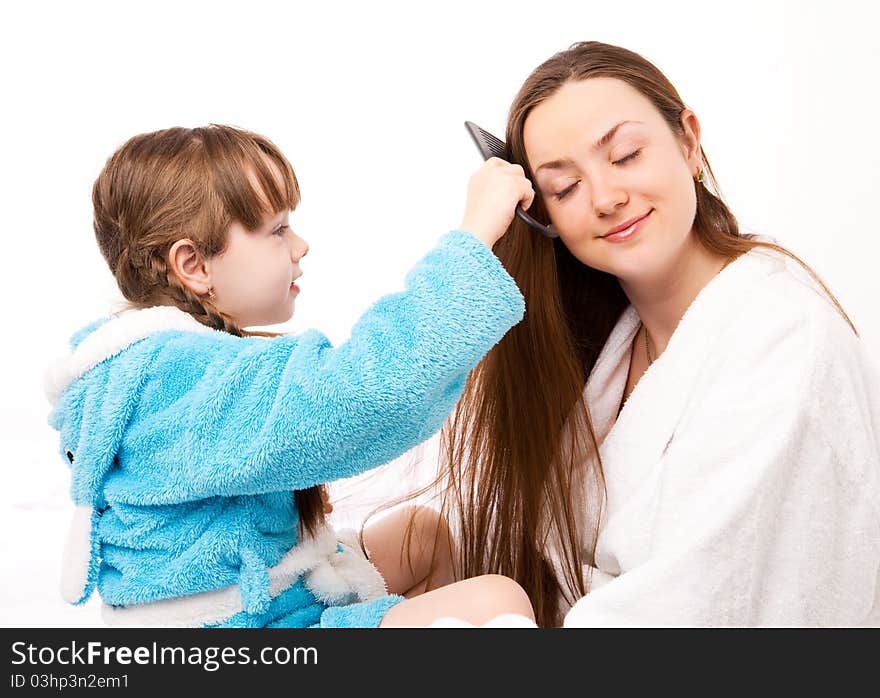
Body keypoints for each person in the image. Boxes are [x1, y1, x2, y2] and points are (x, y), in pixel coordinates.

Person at [429, 41, 880, 627]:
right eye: (564, 189)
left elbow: (696, 609)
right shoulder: (607, 343)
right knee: (416, 539)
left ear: (689, 142)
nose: (607, 199)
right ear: (542, 217)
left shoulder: (784, 343)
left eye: (626, 155)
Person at [44, 124, 537, 628]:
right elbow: (362, 395)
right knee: (497, 601)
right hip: (243, 629)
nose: (300, 245)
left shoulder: (151, 366)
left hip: (260, 591)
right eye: (277, 230)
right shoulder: (178, 380)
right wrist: (475, 236)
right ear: (193, 264)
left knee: (421, 536)